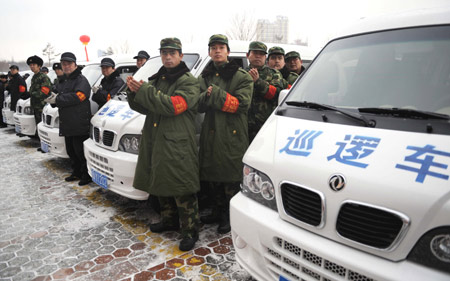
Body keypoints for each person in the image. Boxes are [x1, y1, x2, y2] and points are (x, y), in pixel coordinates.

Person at [126, 38, 200, 251]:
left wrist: (144, 91)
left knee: (182, 186)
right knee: (161, 181)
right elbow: (146, 107)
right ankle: (168, 219)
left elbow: (172, 107)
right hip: (157, 138)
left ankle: (190, 230)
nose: (167, 57)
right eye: (164, 53)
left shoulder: (188, 81)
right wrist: (133, 93)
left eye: (172, 53)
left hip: (178, 142)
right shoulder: (159, 79)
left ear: (180, 55)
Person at [197, 34, 253, 234]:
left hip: (231, 134)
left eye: (221, 47)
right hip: (211, 133)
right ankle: (216, 211)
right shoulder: (205, 76)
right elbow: (198, 104)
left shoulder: (241, 76)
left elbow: (242, 104)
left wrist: (216, 95)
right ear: (210, 52)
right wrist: (208, 96)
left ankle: (228, 216)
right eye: (213, 48)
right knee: (213, 177)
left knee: (229, 179)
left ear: (228, 51)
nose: (217, 51)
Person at [46, 52, 92, 186]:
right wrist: (52, 100)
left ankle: (86, 174)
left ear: (75, 64)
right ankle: (76, 171)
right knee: (71, 150)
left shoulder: (81, 80)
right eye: (63, 64)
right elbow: (57, 94)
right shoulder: (63, 80)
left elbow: (80, 96)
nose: (66, 66)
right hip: (67, 122)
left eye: (69, 64)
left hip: (78, 122)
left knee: (80, 151)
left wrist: (58, 99)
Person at [246, 41, 288, 142]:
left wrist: (258, 82)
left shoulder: (274, 74)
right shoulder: (241, 72)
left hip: (265, 126)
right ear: (247, 55)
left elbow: (277, 95)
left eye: (261, 54)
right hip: (244, 126)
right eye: (255, 53)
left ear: (265, 57)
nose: (258, 56)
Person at [26, 55, 52, 130]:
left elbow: (45, 92)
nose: (32, 67)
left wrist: (31, 93)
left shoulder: (43, 77)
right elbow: (33, 89)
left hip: (42, 106)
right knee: (37, 125)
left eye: (33, 65)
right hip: (35, 106)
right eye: (30, 65)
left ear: (39, 66)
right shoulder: (34, 77)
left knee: (42, 126)